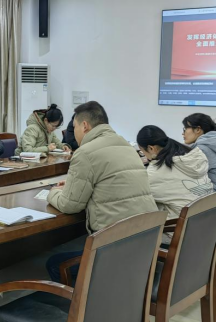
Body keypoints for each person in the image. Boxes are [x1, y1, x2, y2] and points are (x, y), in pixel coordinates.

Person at [45, 102, 158, 283]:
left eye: (74, 127)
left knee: (55, 264)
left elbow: (69, 205)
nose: (74, 133)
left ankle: (84, 300)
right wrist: (74, 184)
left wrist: (52, 192)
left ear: (84, 126)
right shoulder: (125, 145)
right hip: (144, 240)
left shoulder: (86, 152)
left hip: (114, 246)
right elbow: (109, 180)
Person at [137, 126, 214, 219]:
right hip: (210, 218)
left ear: (151, 148)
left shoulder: (155, 172)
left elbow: (140, 201)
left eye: (142, 151)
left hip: (181, 225)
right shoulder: (194, 157)